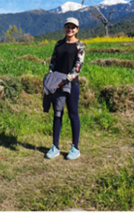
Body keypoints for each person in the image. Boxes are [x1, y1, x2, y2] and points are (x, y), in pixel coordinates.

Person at [45, 17, 86, 160]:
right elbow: (53, 62)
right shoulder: (58, 44)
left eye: (73, 27)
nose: (70, 29)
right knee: (57, 114)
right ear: (64, 28)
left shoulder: (80, 46)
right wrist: (51, 77)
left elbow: (77, 68)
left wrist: (63, 81)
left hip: (71, 84)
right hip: (57, 84)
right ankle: (55, 146)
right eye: (68, 27)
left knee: (73, 114)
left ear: (77, 30)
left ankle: (75, 147)